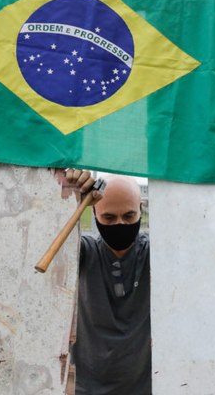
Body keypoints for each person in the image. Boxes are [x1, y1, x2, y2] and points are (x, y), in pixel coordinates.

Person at [65, 169, 151, 394]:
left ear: (141, 209)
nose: (120, 224)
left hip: (145, 386)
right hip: (88, 387)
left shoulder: (152, 254)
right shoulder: (85, 252)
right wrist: (69, 192)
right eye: (109, 218)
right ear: (94, 212)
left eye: (129, 216)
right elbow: (54, 242)